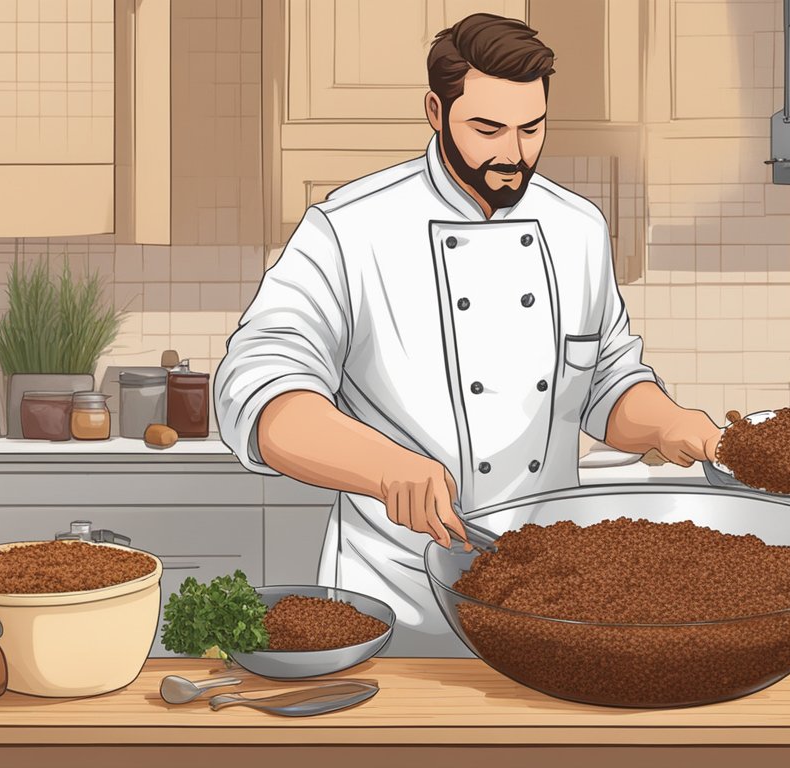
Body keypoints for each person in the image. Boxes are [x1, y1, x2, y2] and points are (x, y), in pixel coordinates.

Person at [214, 13, 721, 656]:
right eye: (487, 129)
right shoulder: (349, 230)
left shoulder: (578, 228)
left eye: (531, 128)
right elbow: (256, 391)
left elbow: (606, 381)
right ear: (435, 109)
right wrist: (381, 466)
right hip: (397, 610)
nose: (512, 153)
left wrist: (668, 423)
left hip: (550, 599)